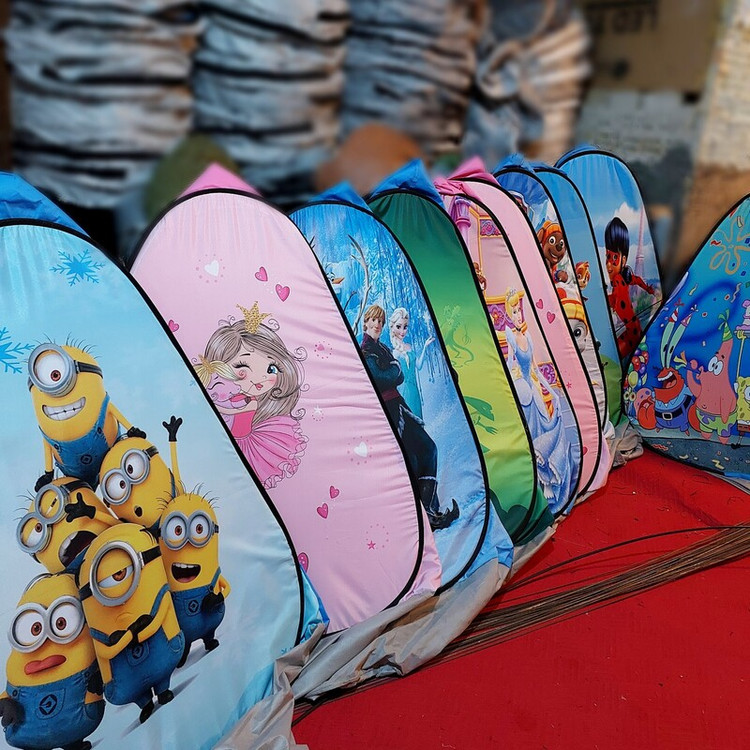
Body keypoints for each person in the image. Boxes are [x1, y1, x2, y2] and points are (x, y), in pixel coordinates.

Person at [361, 305, 458, 530]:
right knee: (413, 458)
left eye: (380, 321)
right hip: (389, 412)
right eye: (374, 321)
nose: (377, 325)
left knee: (428, 449)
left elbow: (397, 375)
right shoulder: (366, 350)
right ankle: (422, 516)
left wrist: (394, 369)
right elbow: (384, 378)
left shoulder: (380, 347)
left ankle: (429, 511)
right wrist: (394, 368)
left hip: (400, 405)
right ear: (366, 323)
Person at [198, 303, 307, 489]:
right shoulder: (226, 396)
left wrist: (218, 407)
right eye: (242, 368)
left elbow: (235, 411)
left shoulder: (251, 402)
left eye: (271, 369)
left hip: (247, 442)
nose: (260, 378)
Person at [504, 290, 575, 510]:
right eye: (514, 312)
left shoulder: (527, 337)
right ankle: (534, 483)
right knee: (529, 429)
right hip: (521, 389)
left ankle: (548, 481)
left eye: (519, 311)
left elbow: (535, 369)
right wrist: (508, 386)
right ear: (509, 314)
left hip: (532, 387)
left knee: (546, 422)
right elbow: (510, 363)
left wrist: (551, 392)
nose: (518, 316)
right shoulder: (509, 334)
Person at [604, 217, 655, 360]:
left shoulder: (619, 280)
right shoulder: (622, 279)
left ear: (624, 260)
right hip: (631, 329)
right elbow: (636, 280)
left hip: (632, 333)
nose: (609, 265)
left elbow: (615, 300)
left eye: (614, 258)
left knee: (613, 358)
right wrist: (647, 289)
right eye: (607, 257)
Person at [388, 307, 434, 420]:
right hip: (404, 391)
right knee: (410, 420)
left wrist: (425, 347)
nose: (402, 331)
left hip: (415, 390)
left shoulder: (409, 346)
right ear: (392, 327)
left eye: (405, 327)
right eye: (398, 327)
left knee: (418, 417)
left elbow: (418, 366)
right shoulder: (395, 353)